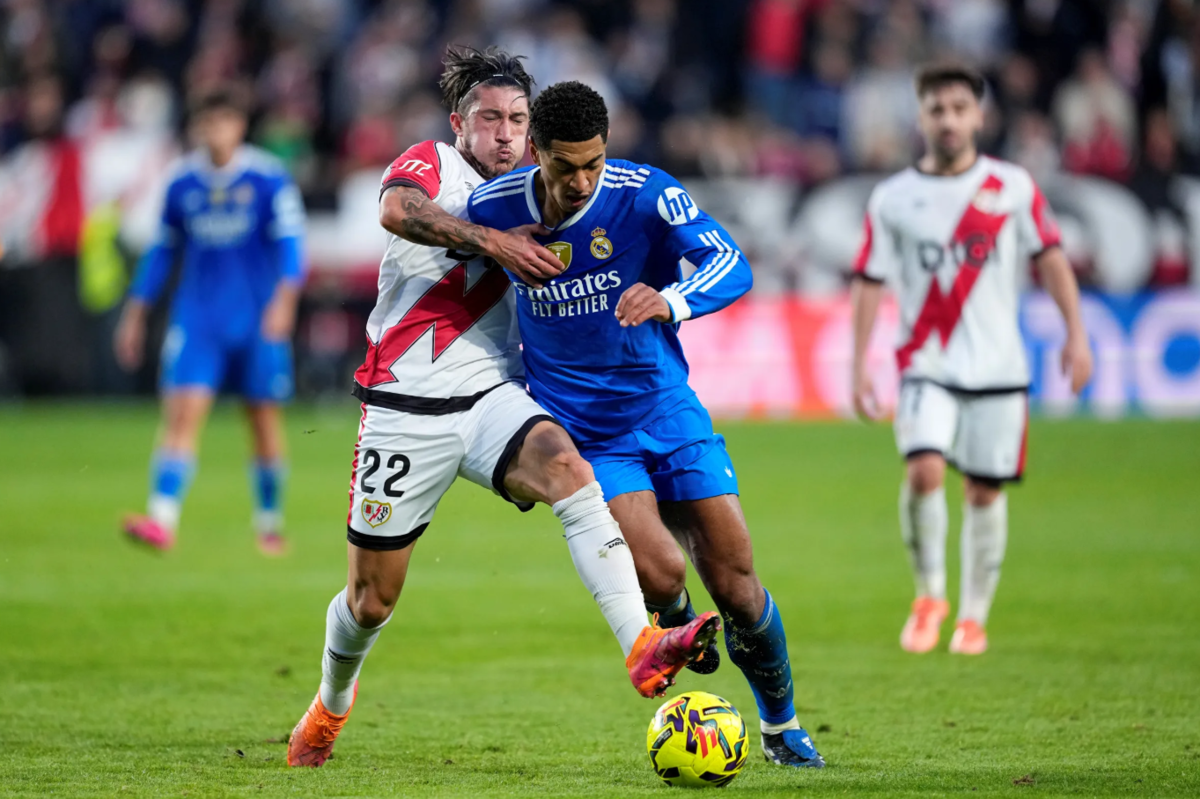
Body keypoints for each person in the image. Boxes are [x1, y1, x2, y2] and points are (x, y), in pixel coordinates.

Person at [286, 47, 717, 769]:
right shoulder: (434, 166)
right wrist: (492, 243)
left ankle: (641, 644)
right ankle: (331, 701)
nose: (506, 133)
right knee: (370, 601)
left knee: (569, 467)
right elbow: (398, 210)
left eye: (518, 119)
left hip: (490, 395)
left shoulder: (543, 190)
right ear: (460, 123)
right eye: (490, 118)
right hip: (401, 405)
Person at [467, 80, 826, 769]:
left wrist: (670, 298)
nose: (580, 181)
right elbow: (439, 258)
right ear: (536, 152)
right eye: (565, 165)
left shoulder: (644, 192)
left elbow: (731, 262)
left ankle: (781, 724)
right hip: (584, 434)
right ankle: (675, 620)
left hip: (666, 407)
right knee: (662, 576)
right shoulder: (493, 208)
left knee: (739, 583)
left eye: (593, 163)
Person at [849, 63, 1093, 656]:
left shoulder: (1012, 187)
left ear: (980, 115)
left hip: (998, 368)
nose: (949, 119)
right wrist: (858, 364)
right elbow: (869, 279)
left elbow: (1052, 258)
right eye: (938, 109)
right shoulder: (894, 197)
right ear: (921, 117)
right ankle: (929, 595)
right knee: (923, 469)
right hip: (925, 363)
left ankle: (974, 617)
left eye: (960, 108)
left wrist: (1076, 334)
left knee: (985, 490)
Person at [115, 89, 306, 555]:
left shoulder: (267, 178)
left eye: (223, 121)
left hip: (257, 321)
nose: (214, 130)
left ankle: (269, 523)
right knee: (182, 414)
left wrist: (285, 302)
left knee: (261, 420)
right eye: (207, 121)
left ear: (239, 126)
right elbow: (161, 252)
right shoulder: (182, 183)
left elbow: (290, 247)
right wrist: (135, 312)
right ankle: (162, 519)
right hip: (198, 321)